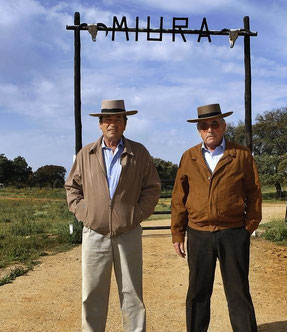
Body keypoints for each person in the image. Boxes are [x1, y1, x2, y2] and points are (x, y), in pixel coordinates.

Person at [65, 99, 161, 332]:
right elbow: (72, 187)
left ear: (125, 124)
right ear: (100, 125)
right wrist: (85, 214)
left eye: (118, 119)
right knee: (92, 294)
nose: (112, 124)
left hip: (128, 233)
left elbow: (152, 187)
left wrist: (136, 215)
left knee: (132, 294)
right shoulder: (86, 153)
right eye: (107, 119)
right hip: (94, 233)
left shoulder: (139, 152)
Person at [171, 103, 262, 332]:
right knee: (198, 291)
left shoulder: (240, 155)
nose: (209, 129)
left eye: (214, 124)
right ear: (198, 130)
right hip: (199, 233)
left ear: (224, 126)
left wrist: (248, 227)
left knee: (238, 290)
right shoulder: (189, 157)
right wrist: (177, 232)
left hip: (233, 233)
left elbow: (254, 192)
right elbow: (179, 197)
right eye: (204, 125)